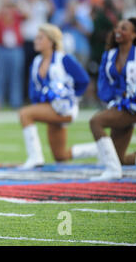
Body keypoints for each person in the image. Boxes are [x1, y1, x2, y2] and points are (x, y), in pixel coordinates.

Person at [19, 23, 97, 169]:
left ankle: (35, 158)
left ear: (51, 41)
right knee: (60, 156)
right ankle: (100, 149)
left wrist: (72, 97)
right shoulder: (36, 61)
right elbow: (33, 88)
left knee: (25, 114)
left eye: (40, 38)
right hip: (49, 108)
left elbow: (83, 80)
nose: (36, 40)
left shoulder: (64, 59)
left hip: (64, 109)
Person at [89, 18, 136, 181]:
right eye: (117, 27)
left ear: (133, 35)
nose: (118, 30)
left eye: (124, 28)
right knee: (119, 158)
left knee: (96, 121)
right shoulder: (109, 55)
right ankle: (115, 166)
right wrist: (112, 99)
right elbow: (103, 81)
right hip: (122, 106)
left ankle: (112, 171)